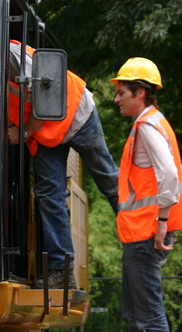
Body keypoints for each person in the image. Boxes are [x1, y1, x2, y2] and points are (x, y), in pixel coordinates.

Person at [7, 40, 119, 289]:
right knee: (48, 194)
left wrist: (24, 133)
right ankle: (61, 273)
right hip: (46, 131)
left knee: (108, 178)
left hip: (76, 115)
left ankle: (148, 233)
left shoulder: (6, 53)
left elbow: (50, 91)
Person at [110, 57, 182, 332]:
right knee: (135, 316)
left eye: (121, 93)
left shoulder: (146, 126)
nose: (116, 99)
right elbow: (180, 175)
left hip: (145, 231)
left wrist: (162, 222)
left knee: (148, 320)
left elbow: (169, 175)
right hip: (143, 231)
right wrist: (167, 222)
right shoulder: (157, 123)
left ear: (140, 92)